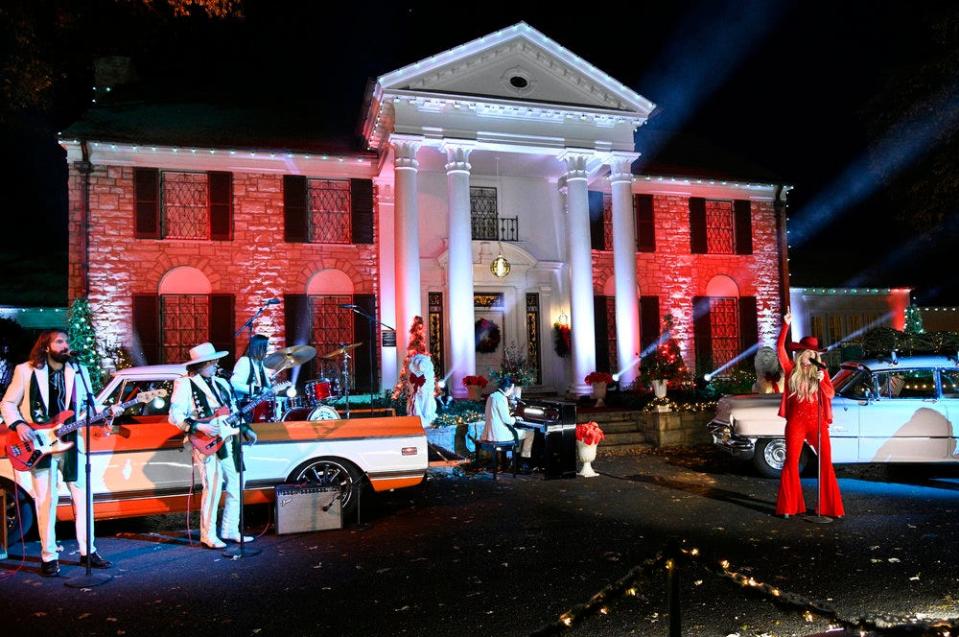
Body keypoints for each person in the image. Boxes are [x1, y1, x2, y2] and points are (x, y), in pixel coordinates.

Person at [0, 330, 119, 576]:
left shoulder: (78, 370)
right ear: (46, 346)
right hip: (38, 443)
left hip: (71, 443)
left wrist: (106, 413)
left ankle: (89, 551)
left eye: (67, 341)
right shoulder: (26, 371)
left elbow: (89, 406)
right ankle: (49, 556)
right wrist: (19, 425)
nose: (66, 345)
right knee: (46, 500)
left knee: (83, 499)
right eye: (60, 341)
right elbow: (7, 403)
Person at [169, 342, 257, 549]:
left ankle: (230, 529)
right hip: (205, 442)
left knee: (236, 483)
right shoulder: (185, 384)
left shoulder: (222, 384)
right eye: (212, 361)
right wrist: (201, 427)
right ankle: (208, 534)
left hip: (228, 439)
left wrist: (246, 430)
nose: (217, 364)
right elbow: (175, 416)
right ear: (202, 364)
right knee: (214, 487)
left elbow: (233, 411)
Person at [775, 311, 844, 519]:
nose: (810, 357)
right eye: (807, 353)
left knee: (826, 461)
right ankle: (790, 506)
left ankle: (829, 507)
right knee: (791, 461)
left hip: (817, 423)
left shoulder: (821, 372)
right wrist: (785, 326)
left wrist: (823, 380)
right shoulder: (791, 371)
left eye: (813, 354)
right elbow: (779, 349)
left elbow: (831, 394)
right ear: (801, 354)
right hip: (796, 422)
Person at [480, 376, 534, 471]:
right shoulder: (502, 398)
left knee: (519, 433)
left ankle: (515, 461)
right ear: (507, 388)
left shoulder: (492, 396)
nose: (512, 391)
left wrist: (511, 417)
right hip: (499, 435)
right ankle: (523, 462)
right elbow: (507, 420)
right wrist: (516, 418)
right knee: (529, 433)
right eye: (512, 389)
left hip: (489, 433)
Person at [230, 334, 273, 401]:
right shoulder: (245, 361)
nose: (267, 350)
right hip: (244, 405)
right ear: (258, 348)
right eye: (266, 347)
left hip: (257, 404)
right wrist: (258, 389)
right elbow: (234, 385)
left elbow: (267, 388)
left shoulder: (260, 364)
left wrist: (272, 388)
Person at [406, 353, 437, 428]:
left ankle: (427, 416)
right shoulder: (413, 368)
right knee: (417, 401)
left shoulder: (427, 368)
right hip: (419, 389)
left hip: (426, 387)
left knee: (427, 402)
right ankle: (419, 418)